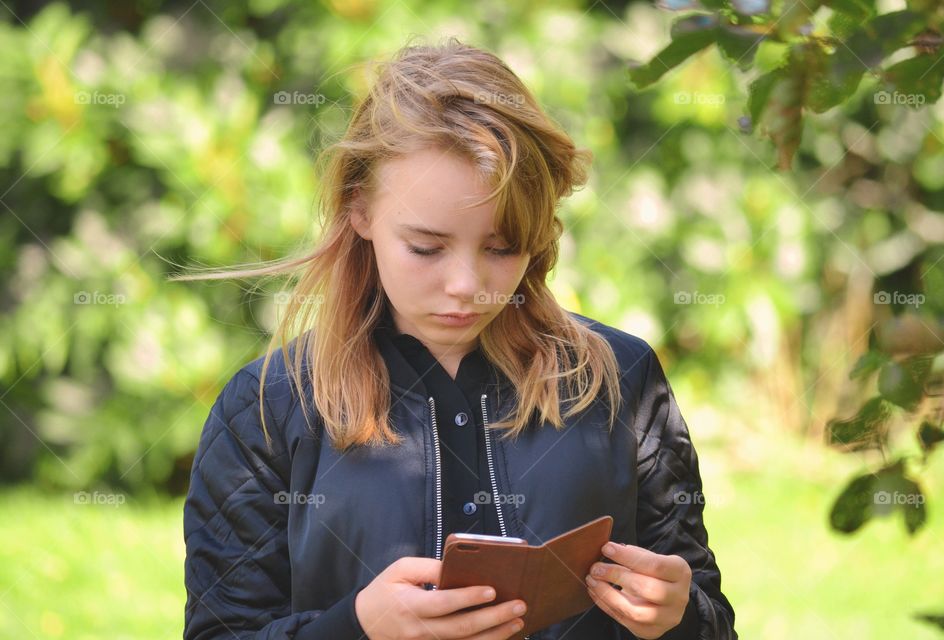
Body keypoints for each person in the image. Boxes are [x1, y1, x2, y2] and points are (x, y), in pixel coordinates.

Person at [179, 38, 737, 640]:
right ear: (358, 211)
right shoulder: (266, 409)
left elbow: (708, 618)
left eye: (502, 248)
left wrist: (678, 617)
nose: (467, 285)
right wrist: (359, 627)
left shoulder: (619, 381)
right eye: (426, 247)